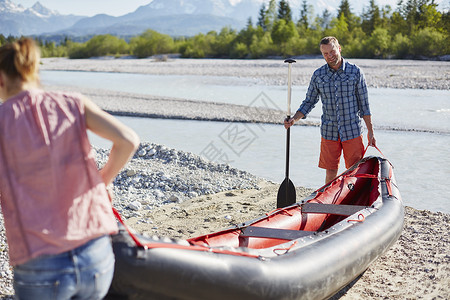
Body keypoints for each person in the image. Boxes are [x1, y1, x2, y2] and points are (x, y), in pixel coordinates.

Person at [0, 38, 140, 299]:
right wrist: (103, 180)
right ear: (33, 71)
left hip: (40, 264)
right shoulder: (73, 103)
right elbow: (128, 140)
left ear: (1, 79)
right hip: (96, 256)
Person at [284, 36, 376, 184]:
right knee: (331, 171)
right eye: (325, 54)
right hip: (329, 131)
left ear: (339, 48)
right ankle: (329, 203)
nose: (329, 56)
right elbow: (309, 102)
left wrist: (370, 131)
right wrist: (294, 119)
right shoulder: (318, 75)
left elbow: (364, 105)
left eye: (332, 51)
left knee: (354, 171)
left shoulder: (355, 72)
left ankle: (353, 202)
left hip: (352, 130)